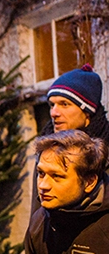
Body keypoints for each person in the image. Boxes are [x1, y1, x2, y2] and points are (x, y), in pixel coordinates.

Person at [31, 64, 109, 215]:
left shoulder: (106, 149)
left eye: (64, 104)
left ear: (87, 112)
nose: (54, 113)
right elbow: (37, 211)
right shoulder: (46, 149)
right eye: (52, 104)